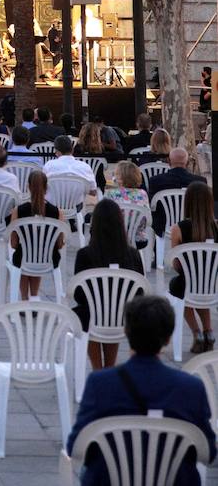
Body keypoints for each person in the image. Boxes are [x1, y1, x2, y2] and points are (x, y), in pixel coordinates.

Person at [66, 295, 216, 486]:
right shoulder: (191, 388)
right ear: (168, 338)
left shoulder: (100, 384)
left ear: (127, 332)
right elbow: (208, 452)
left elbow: (76, 447)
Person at [73, 198, 145, 370]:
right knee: (112, 313)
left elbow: (78, 294)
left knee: (85, 312)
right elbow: (140, 291)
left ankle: (98, 370)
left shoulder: (85, 254)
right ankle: (109, 367)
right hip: (123, 316)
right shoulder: (133, 255)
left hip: (92, 316)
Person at [169, 181, 218, 353]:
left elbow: (175, 264)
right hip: (213, 284)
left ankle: (197, 332)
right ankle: (209, 332)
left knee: (181, 286)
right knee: (200, 288)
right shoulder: (216, 226)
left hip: (187, 283)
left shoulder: (178, 228)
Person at [7, 168, 64, 298]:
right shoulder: (57, 212)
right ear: (46, 187)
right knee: (37, 252)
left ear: (28, 187)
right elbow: (60, 244)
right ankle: (34, 295)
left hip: (23, 258)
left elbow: (14, 244)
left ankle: (25, 298)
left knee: (25, 253)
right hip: (49, 258)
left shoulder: (18, 211)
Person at [148, 147, 200, 234]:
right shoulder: (200, 181)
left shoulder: (155, 181)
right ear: (187, 163)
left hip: (163, 228)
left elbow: (152, 206)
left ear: (169, 161)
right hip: (192, 227)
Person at [107, 159, 152, 250]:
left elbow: (103, 216)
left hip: (113, 238)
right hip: (138, 239)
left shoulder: (111, 194)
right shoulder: (143, 194)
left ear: (119, 178)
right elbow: (147, 220)